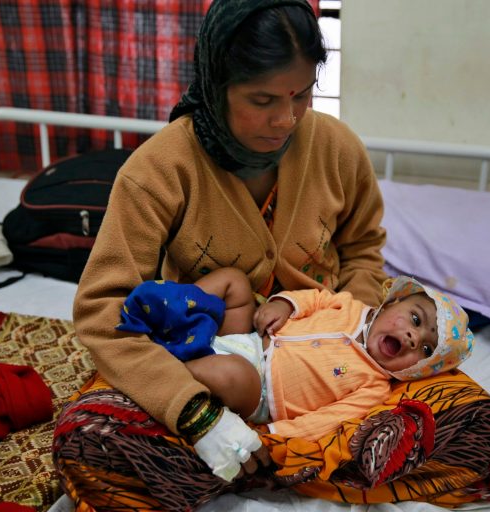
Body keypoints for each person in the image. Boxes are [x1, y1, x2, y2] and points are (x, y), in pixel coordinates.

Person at [53, 0, 390, 508]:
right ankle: (272, 457)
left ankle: (278, 457)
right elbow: (104, 313)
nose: (285, 118)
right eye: (262, 99)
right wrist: (195, 414)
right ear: (216, 83)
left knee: (463, 420)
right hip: (211, 364)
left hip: (332, 359)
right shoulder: (159, 171)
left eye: (301, 94)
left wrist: (356, 331)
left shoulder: (337, 147)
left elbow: (364, 252)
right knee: (90, 442)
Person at [117, 268, 473, 445]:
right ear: (392, 302)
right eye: (414, 319)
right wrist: (284, 303)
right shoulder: (351, 306)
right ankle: (167, 309)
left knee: (230, 374)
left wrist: (270, 433)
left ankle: (156, 363)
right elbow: (314, 298)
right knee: (234, 282)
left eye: (426, 350)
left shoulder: (374, 387)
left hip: (258, 390)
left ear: (419, 370)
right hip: (248, 338)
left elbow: (324, 422)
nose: (412, 338)